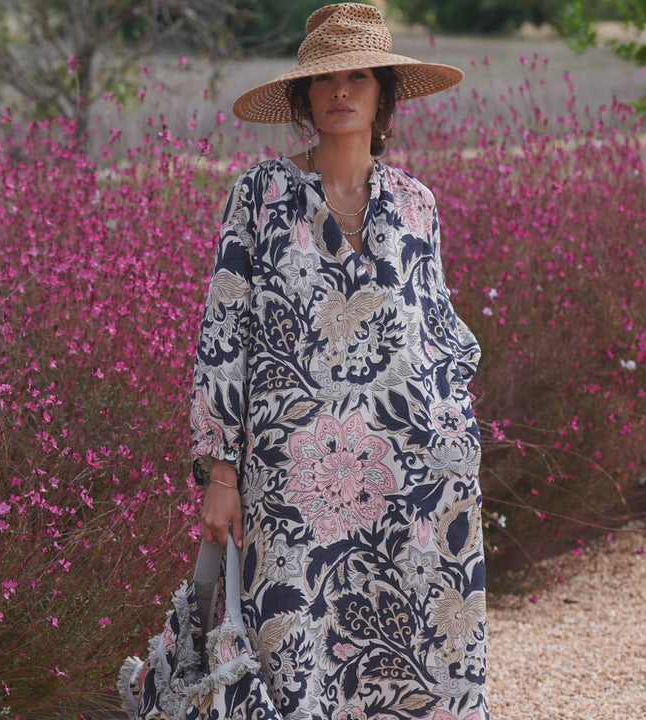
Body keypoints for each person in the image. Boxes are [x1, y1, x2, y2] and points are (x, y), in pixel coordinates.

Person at [190, 4, 487, 719]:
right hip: (291, 485)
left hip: (407, 477)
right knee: (295, 656)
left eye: (358, 76)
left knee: (412, 652)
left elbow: (440, 332)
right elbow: (223, 336)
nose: (341, 92)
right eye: (325, 79)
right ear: (304, 96)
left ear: (384, 93)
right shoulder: (258, 197)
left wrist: (456, 438)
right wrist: (220, 473)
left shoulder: (418, 205)